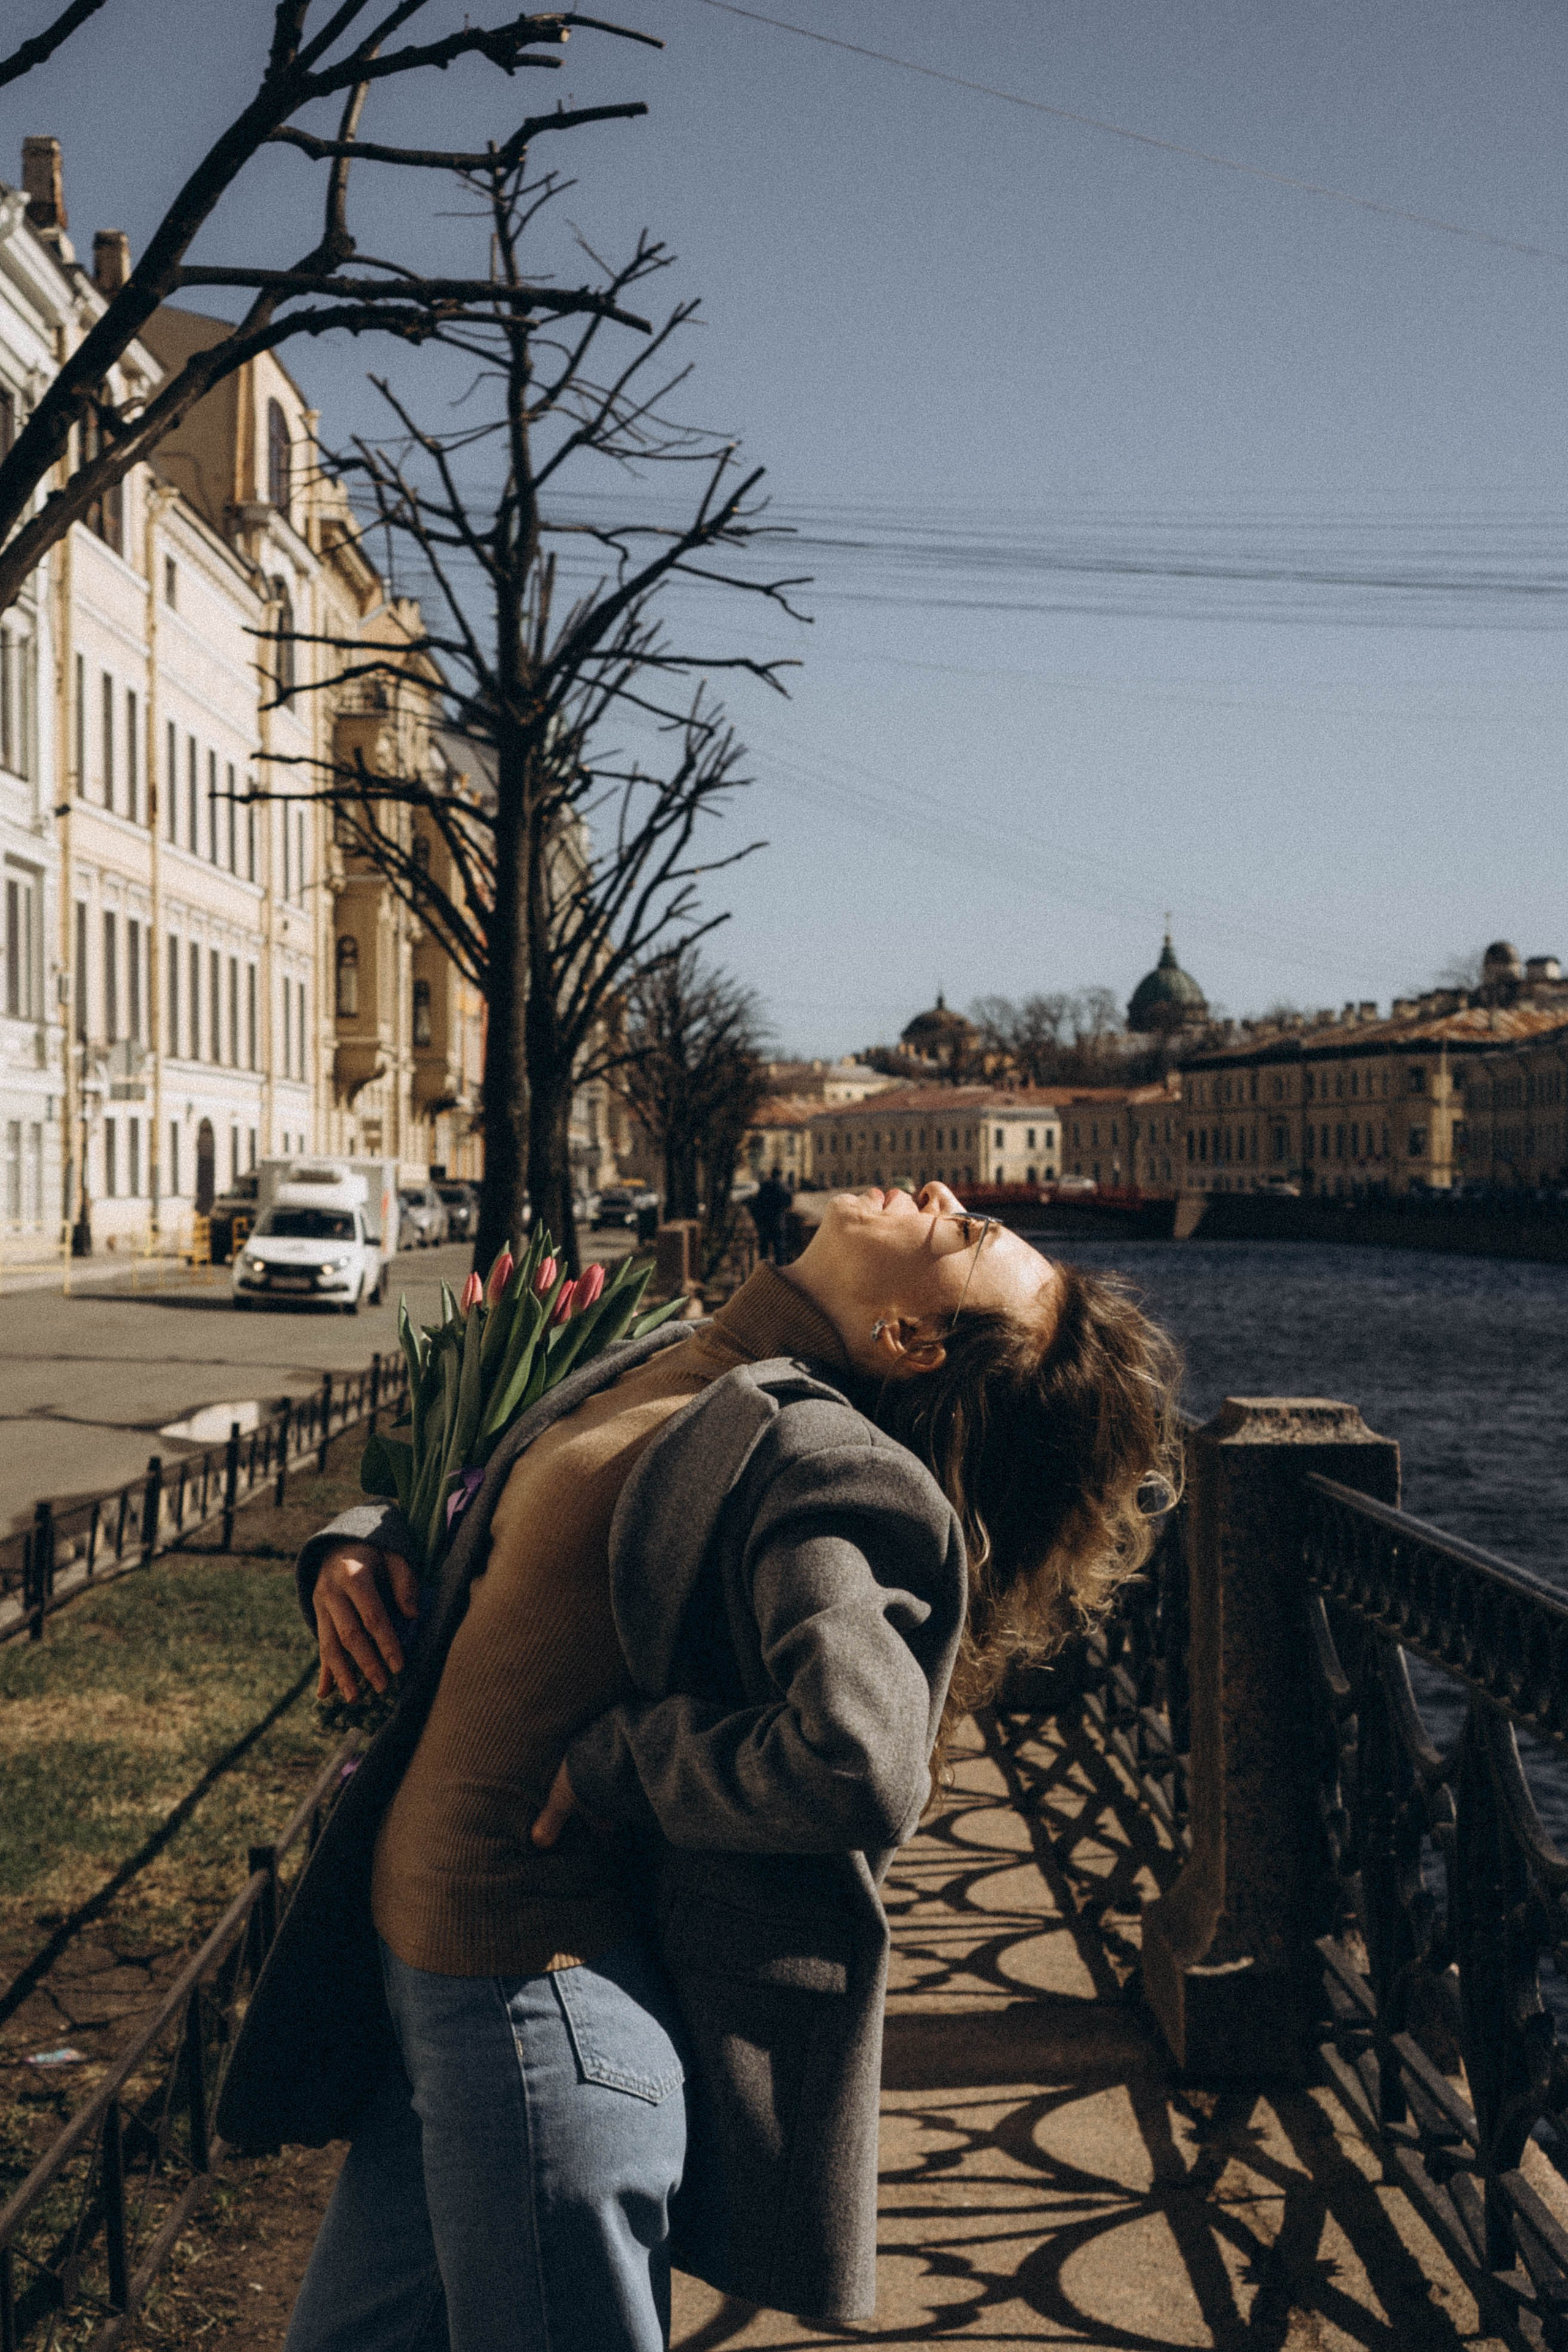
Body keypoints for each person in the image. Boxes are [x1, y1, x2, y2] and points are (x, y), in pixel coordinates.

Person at [216, 1182, 1180, 2352]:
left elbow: (865, 1760)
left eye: (964, 1234)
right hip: (446, 2000)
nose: (942, 1196)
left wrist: (629, 1762)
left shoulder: (818, 1454)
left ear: (910, 1341)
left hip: (531, 2020)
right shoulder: (685, 1351)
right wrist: (363, 1545)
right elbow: (496, 1506)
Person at [748, 1164, 791, 1262]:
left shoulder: (765, 1185)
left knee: (764, 1252)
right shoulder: (784, 1186)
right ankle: (779, 1274)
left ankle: (764, 1274)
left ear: (771, 1174)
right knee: (779, 1251)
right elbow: (789, 1204)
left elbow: (757, 1204)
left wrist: (757, 1221)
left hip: (765, 1223)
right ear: (780, 1175)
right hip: (779, 1223)